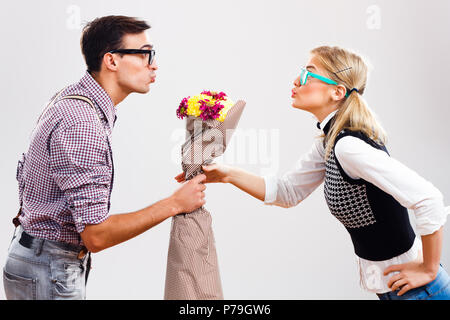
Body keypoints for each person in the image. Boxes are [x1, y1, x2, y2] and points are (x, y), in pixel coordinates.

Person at [176, 45, 450, 300]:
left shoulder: (348, 147)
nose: (296, 81)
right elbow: (287, 192)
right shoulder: (330, 143)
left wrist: (428, 268)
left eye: (308, 74)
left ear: (337, 92)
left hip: (421, 291)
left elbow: (428, 199)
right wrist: (226, 174)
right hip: (394, 291)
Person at [3, 15, 207, 300]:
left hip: (35, 259)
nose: (154, 64)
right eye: (145, 54)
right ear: (111, 61)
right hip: (48, 269)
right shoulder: (82, 123)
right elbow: (95, 235)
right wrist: (174, 204)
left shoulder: (75, 100)